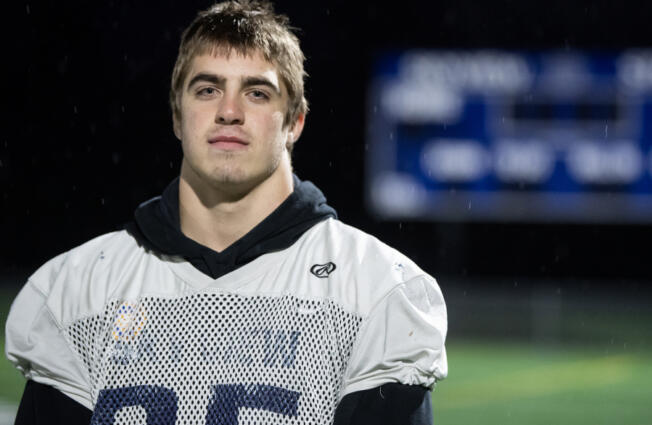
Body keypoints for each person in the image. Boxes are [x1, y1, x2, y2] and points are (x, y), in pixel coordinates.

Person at [5, 1, 448, 424]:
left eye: (257, 93)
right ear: (178, 116)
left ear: (294, 122)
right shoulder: (79, 291)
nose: (229, 112)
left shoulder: (376, 291)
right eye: (207, 89)